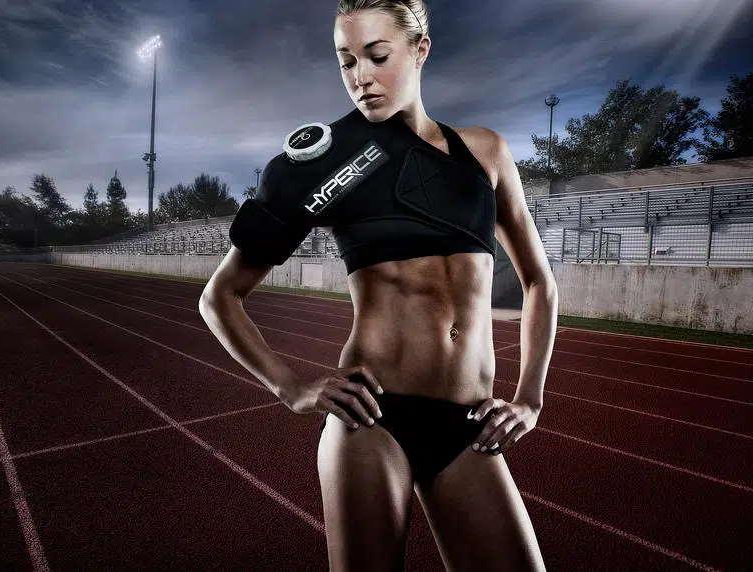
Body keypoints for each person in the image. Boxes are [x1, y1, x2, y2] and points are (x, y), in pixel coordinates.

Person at [199, 1, 557, 570]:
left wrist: (531, 398)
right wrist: (291, 386)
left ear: (421, 49)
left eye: (377, 56)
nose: (360, 78)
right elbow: (219, 296)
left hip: (467, 424)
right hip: (372, 419)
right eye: (346, 62)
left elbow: (538, 280)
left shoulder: (485, 153)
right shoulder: (318, 165)